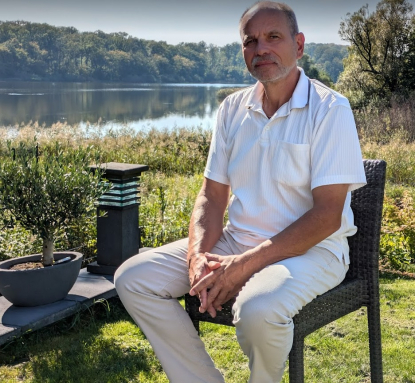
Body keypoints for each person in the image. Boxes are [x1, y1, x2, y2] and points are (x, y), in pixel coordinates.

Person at [114, 2, 366, 382]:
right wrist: (199, 256)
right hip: (236, 240)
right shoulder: (232, 109)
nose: (261, 48)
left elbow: (327, 215)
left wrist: (242, 268)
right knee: (134, 278)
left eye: (273, 37)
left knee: (256, 308)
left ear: (298, 45)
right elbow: (212, 196)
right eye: (251, 41)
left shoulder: (330, 109)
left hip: (315, 251)